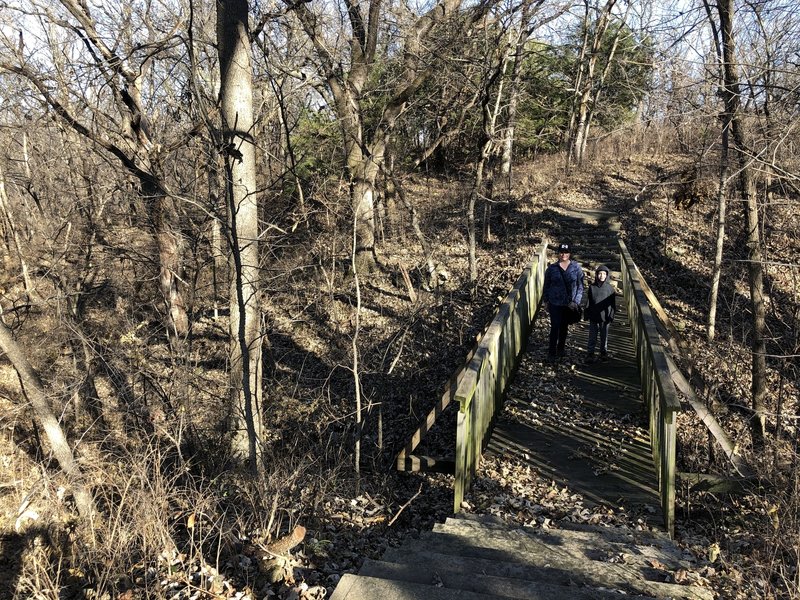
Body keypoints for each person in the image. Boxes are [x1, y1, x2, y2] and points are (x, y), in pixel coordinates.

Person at [542, 242, 584, 361]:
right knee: (554, 327)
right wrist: (546, 300)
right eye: (561, 252)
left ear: (569, 253)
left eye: (566, 252)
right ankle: (551, 352)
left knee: (564, 327)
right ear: (558, 253)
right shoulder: (552, 268)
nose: (563, 254)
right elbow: (546, 285)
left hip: (569, 304)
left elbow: (580, 285)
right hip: (555, 303)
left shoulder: (576, 268)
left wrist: (576, 301)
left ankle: (561, 348)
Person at [585, 264, 616, 363]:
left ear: (607, 275)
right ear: (596, 274)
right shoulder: (592, 287)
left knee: (604, 336)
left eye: (604, 274)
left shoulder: (610, 289)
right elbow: (588, 302)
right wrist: (586, 313)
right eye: (599, 274)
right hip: (594, 315)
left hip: (605, 317)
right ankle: (590, 353)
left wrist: (611, 315)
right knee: (592, 336)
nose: (601, 276)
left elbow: (613, 304)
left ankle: (603, 352)